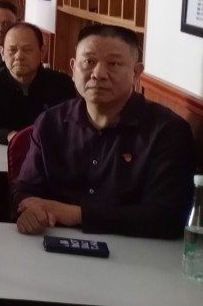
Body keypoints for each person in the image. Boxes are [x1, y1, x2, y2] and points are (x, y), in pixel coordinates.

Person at [13, 25, 195, 239]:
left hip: (134, 251)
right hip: (52, 242)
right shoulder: (50, 123)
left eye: (114, 64)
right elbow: (25, 190)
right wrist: (29, 210)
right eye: (89, 62)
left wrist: (77, 215)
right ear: (73, 68)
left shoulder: (167, 131)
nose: (98, 74)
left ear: (136, 73)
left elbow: (167, 217)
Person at [0, 23, 77, 145]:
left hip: (47, 152)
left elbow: (72, 127)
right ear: (2, 53)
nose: (19, 56)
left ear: (42, 52)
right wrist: (8, 136)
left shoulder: (61, 84)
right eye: (12, 50)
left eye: (27, 50)